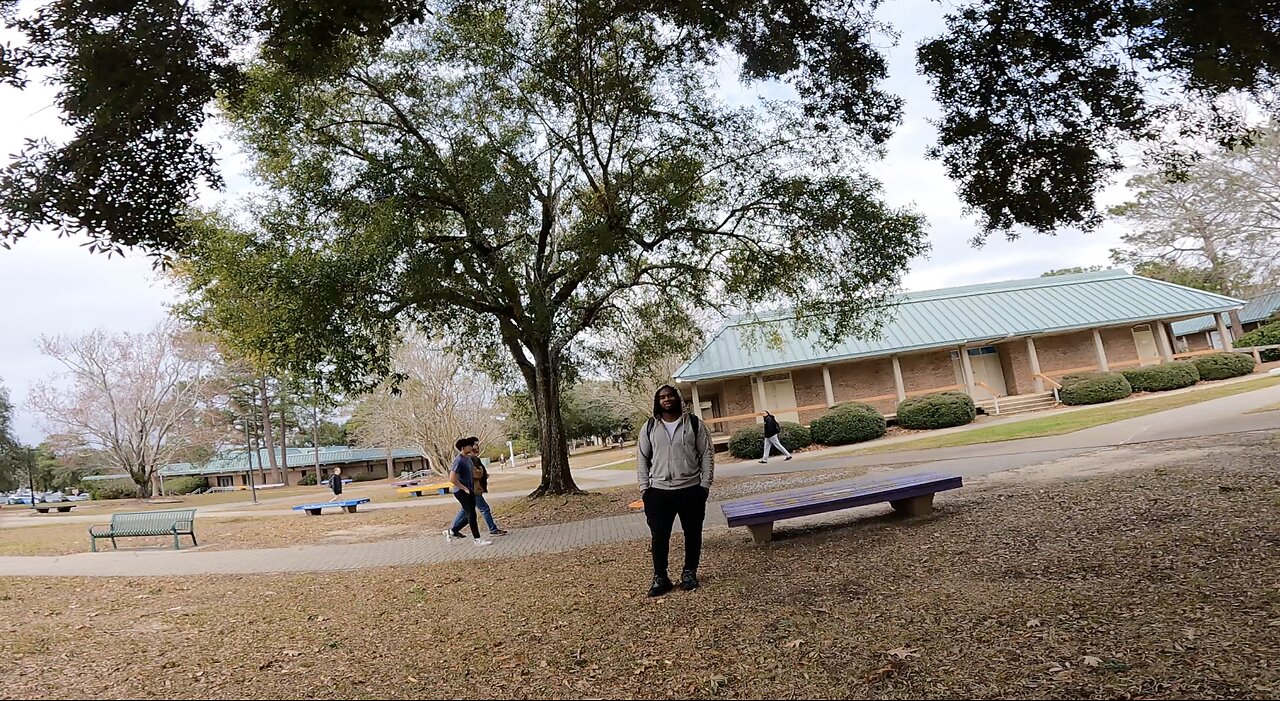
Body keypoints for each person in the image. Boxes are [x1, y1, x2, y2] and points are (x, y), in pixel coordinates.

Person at [637, 384, 713, 597]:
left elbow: (706, 454)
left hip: (691, 490)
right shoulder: (650, 426)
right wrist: (645, 489)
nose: (667, 399)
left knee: (693, 534)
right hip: (658, 492)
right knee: (659, 536)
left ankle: (689, 572)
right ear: (658, 401)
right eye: (662, 397)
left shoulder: (695, 424)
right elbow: (642, 458)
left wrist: (704, 485)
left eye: (670, 395)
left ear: (677, 398)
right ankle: (661, 578)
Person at [448, 437, 508, 537]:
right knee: (482, 509)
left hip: (472, 489)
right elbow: (459, 477)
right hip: (471, 490)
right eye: (474, 444)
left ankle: (452, 531)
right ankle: (488, 532)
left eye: (476, 444)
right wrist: (465, 487)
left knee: (466, 512)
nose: (476, 446)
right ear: (465, 447)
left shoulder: (470, 458)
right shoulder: (463, 459)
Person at [444, 437, 493, 547]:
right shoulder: (459, 460)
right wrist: (464, 488)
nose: (472, 447)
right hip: (461, 492)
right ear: (463, 448)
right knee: (472, 514)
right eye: (469, 446)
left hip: (470, 490)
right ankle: (477, 540)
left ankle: (451, 532)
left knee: (469, 515)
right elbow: (452, 479)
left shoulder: (468, 459)